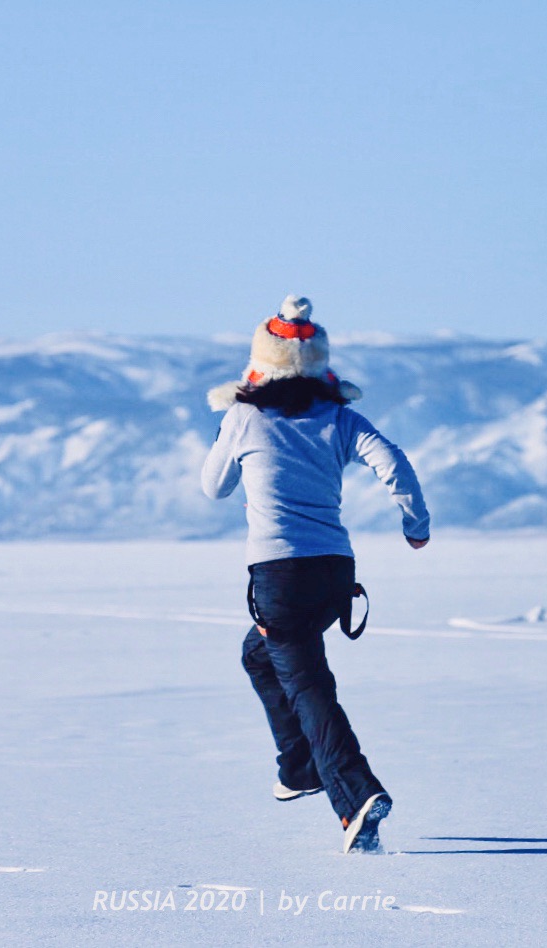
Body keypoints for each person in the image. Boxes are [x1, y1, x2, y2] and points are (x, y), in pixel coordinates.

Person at [200, 294, 431, 854]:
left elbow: (213, 487)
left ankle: (356, 797)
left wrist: (238, 446)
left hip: (280, 576)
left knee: (307, 685)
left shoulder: (244, 416)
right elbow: (392, 460)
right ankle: (300, 768)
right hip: (334, 575)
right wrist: (415, 522)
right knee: (260, 656)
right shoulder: (340, 417)